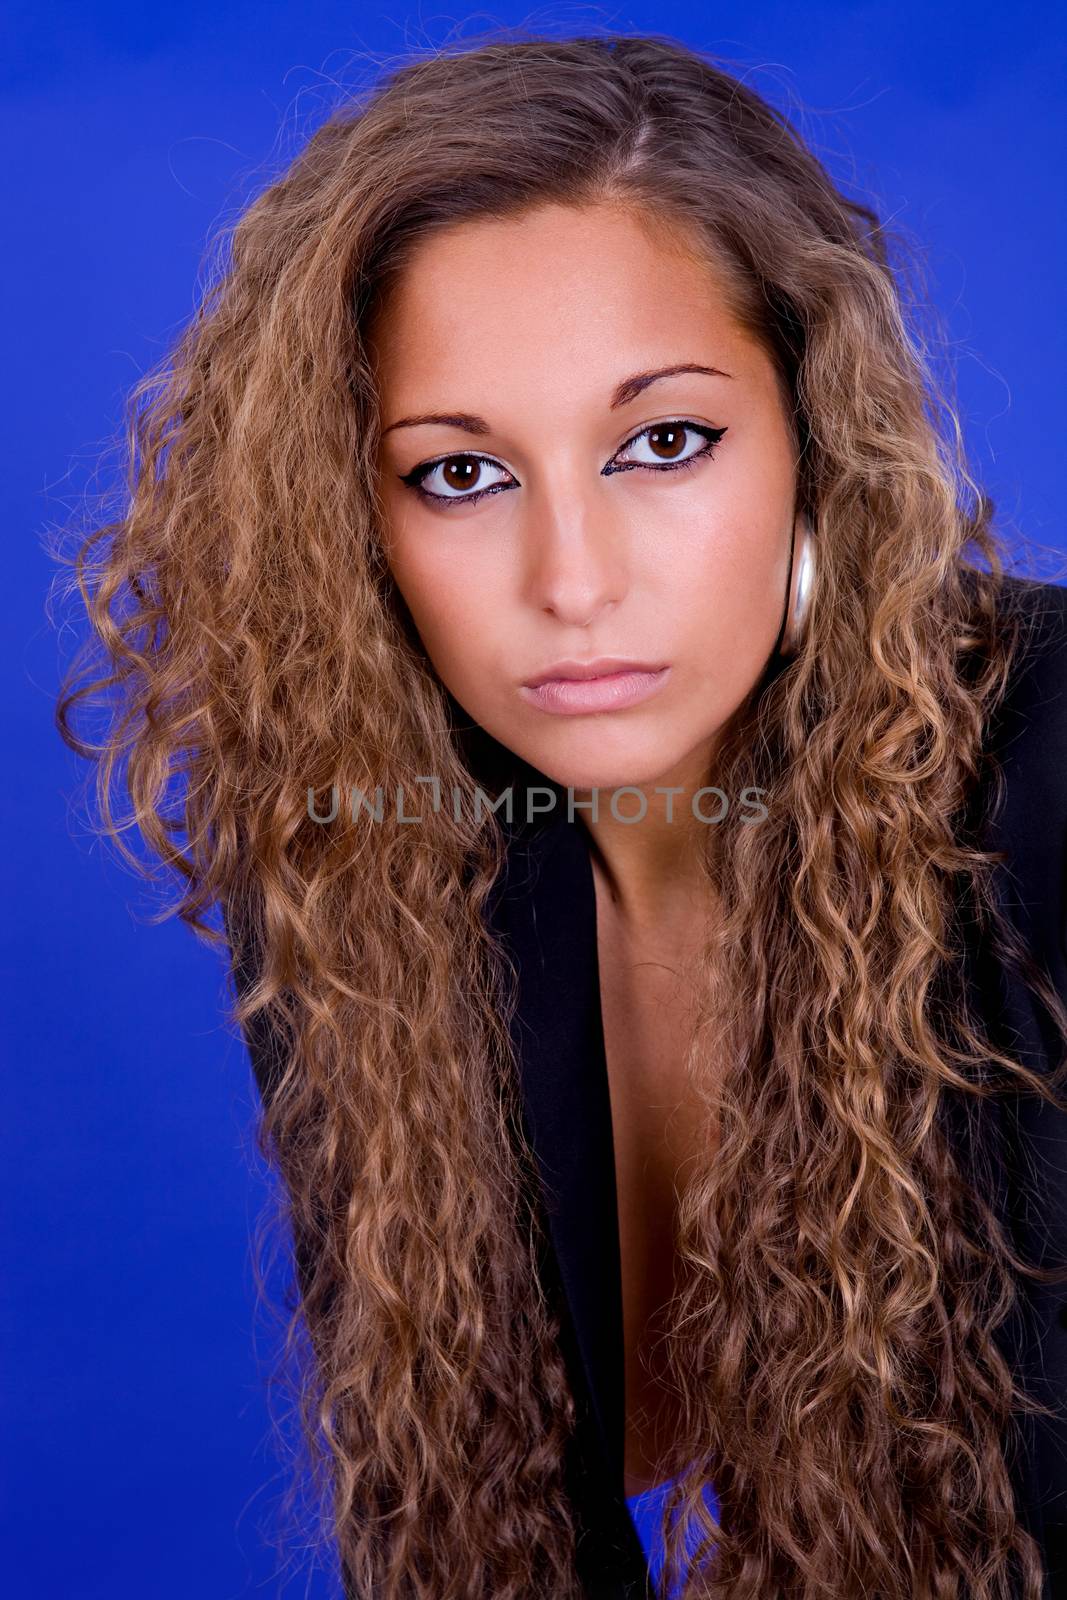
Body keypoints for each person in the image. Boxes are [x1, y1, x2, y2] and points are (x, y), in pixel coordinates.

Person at [52, 27, 1067, 1600]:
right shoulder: (371, 856)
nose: (572, 584)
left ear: (816, 443)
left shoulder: (1049, 774)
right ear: (354, 521)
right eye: (460, 475)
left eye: (664, 443)